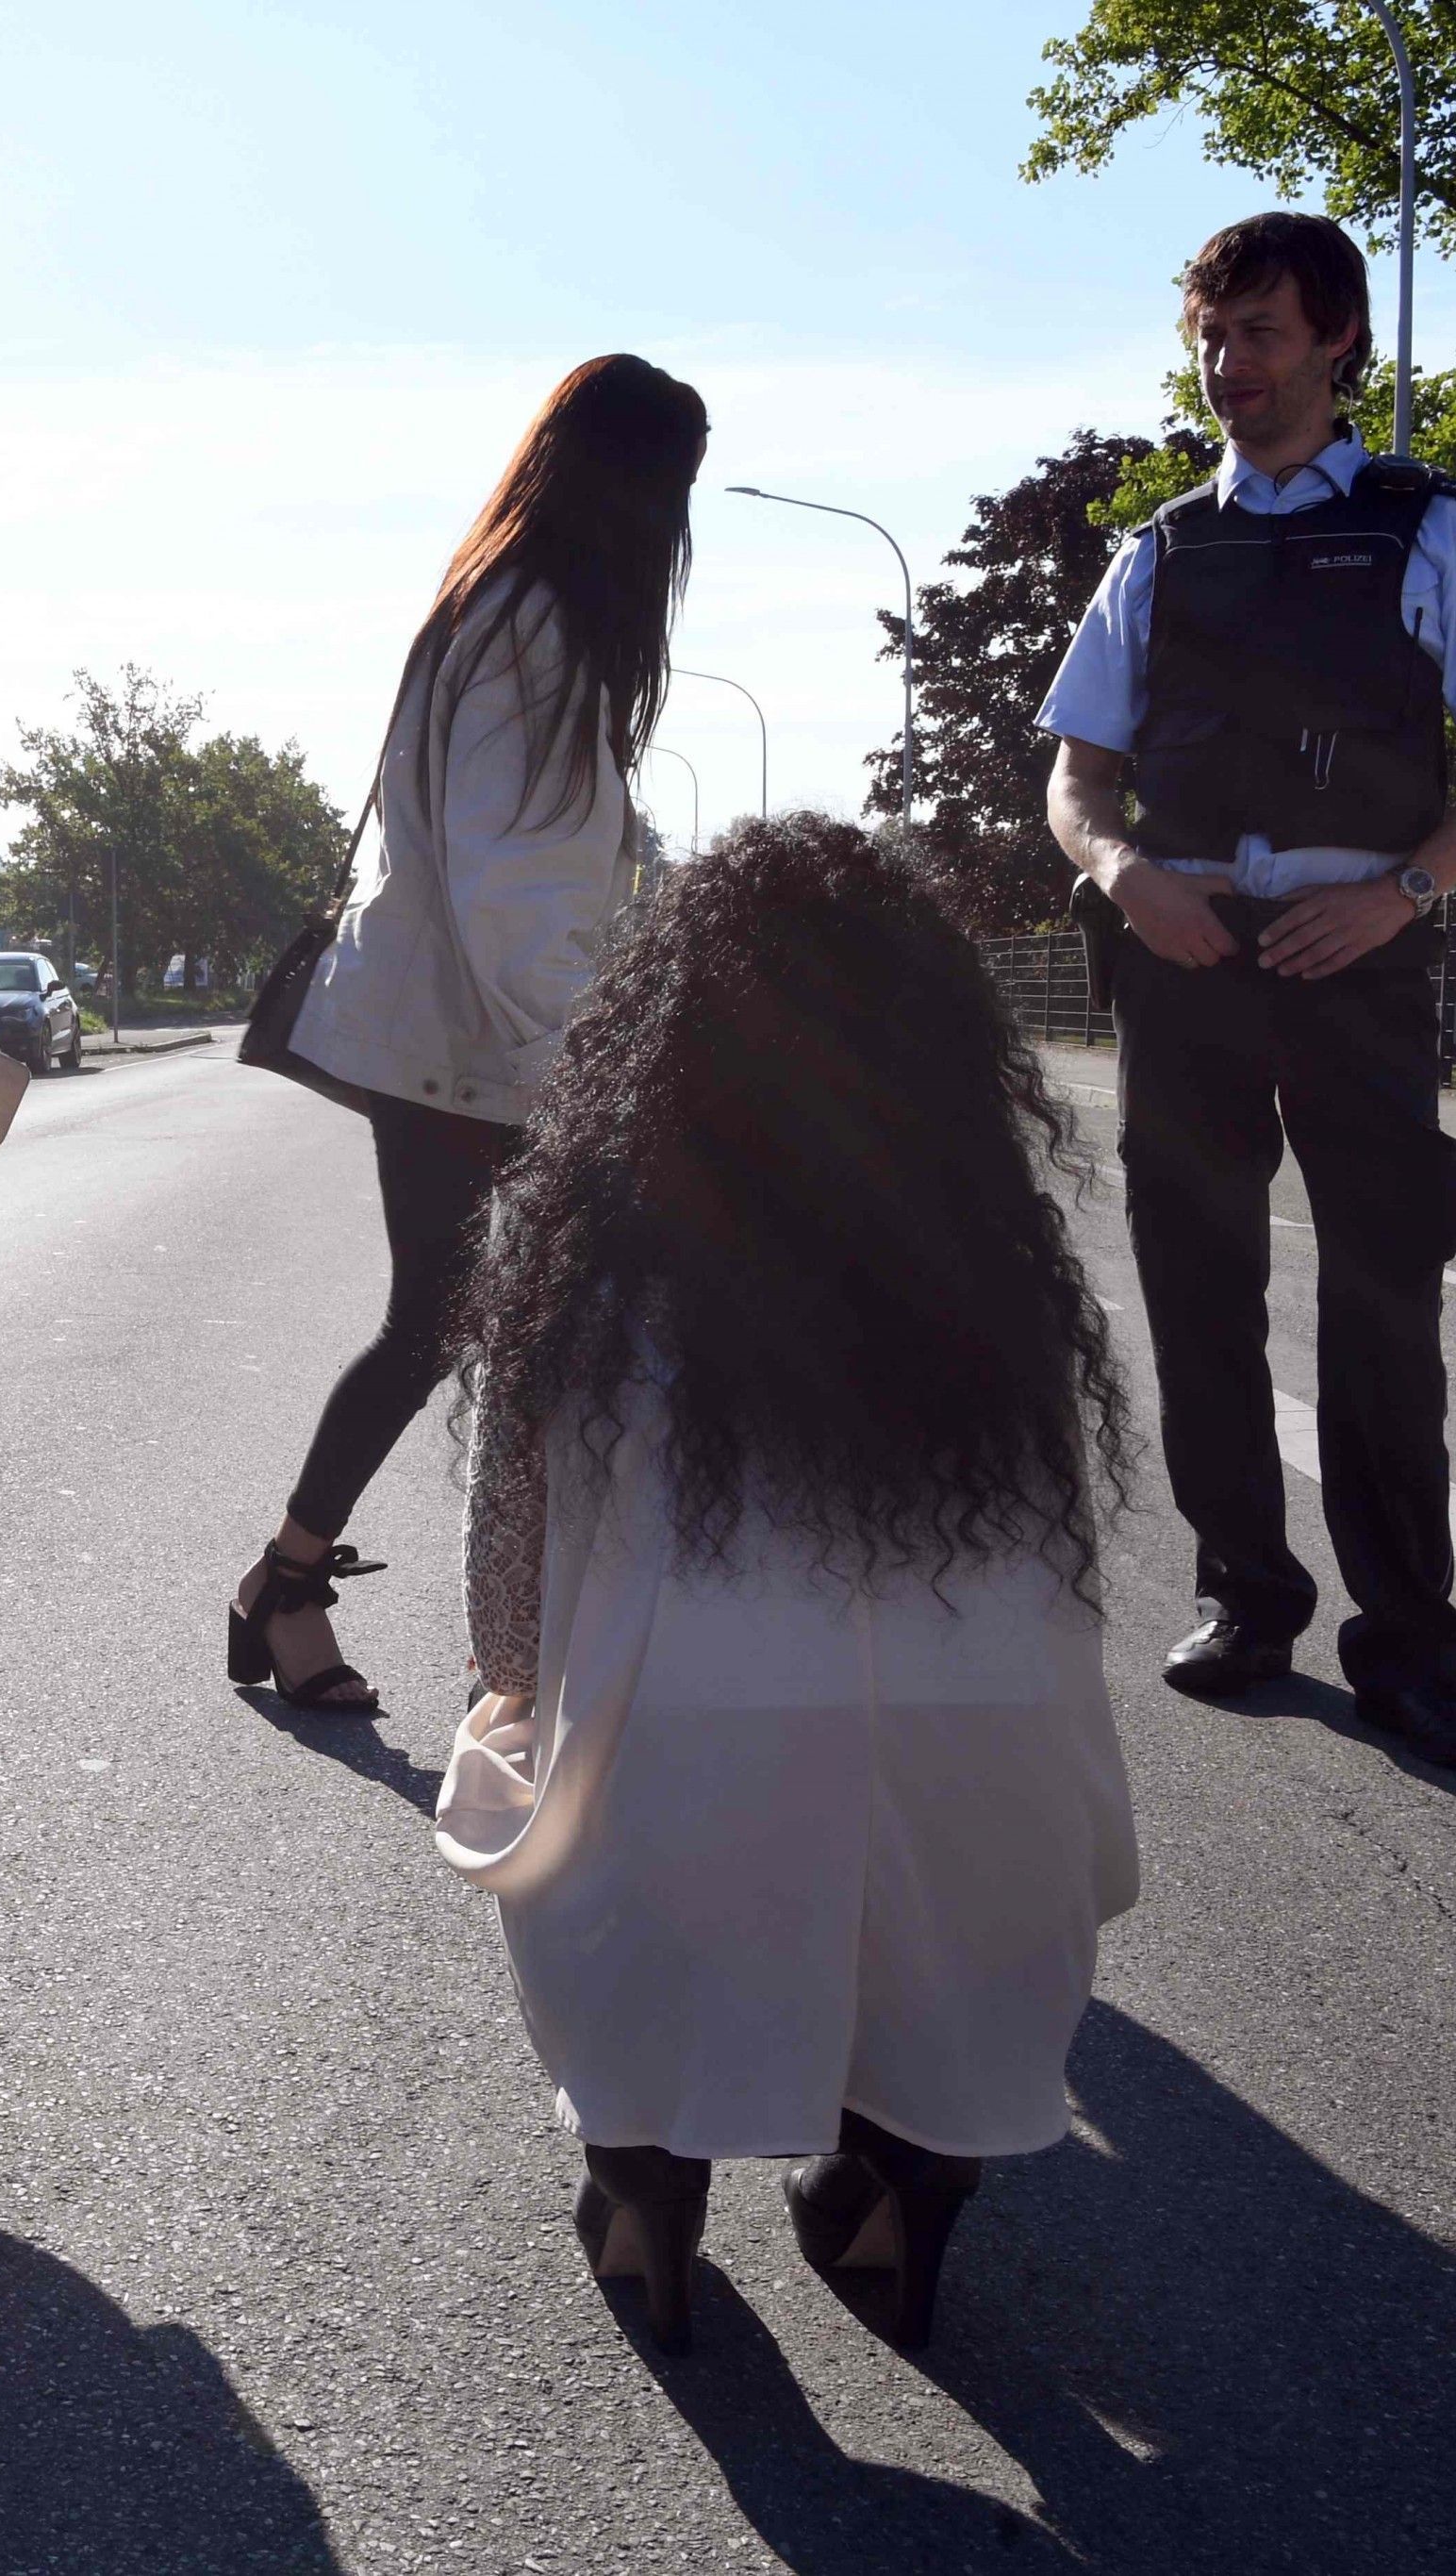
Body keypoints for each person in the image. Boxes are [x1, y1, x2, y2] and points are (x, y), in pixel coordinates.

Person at [433, 817, 1140, 2356]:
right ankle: (902, 2170)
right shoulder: (996, 1262)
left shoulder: (584, 1252)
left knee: (547, 1766)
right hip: (995, 1803)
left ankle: (641, 2173)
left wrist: (521, 1691)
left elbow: (510, 1608)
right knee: (923, 1845)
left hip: (688, 1784)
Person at [227, 355, 710, 1712]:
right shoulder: (533, 626)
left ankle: (308, 1586)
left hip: (466, 1039)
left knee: (472, 1324)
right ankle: (351, 1596)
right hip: (476, 1044)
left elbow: (539, 864)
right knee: (477, 1322)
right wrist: (604, 1069)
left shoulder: (498, 604)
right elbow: (511, 887)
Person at [1042, 211, 1456, 1760]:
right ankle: (1242, 1589)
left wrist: (1404, 890)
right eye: (1213, 337)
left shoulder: (1429, 528)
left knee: (1381, 1299)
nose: (1232, 367)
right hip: (1188, 956)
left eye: (1263, 334)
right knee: (1197, 1287)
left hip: (1358, 955)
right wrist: (1123, 875)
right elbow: (1079, 778)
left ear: (1341, 339)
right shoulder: (1160, 552)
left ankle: (1413, 1633)